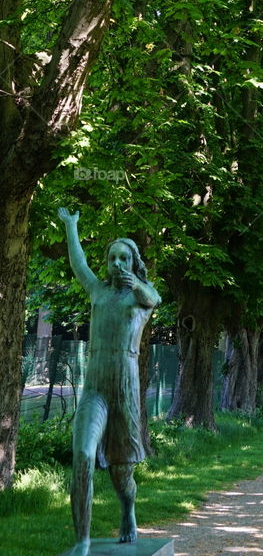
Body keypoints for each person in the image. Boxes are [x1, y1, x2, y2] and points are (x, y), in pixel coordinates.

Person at [57, 208, 161, 553]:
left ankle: (128, 509)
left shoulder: (140, 297)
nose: (116, 263)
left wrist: (138, 284)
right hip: (95, 392)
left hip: (124, 393)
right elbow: (78, 265)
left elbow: (154, 298)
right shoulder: (97, 292)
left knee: (122, 474)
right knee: (83, 455)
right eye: (112, 258)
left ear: (133, 263)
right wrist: (71, 226)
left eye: (123, 258)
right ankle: (82, 540)